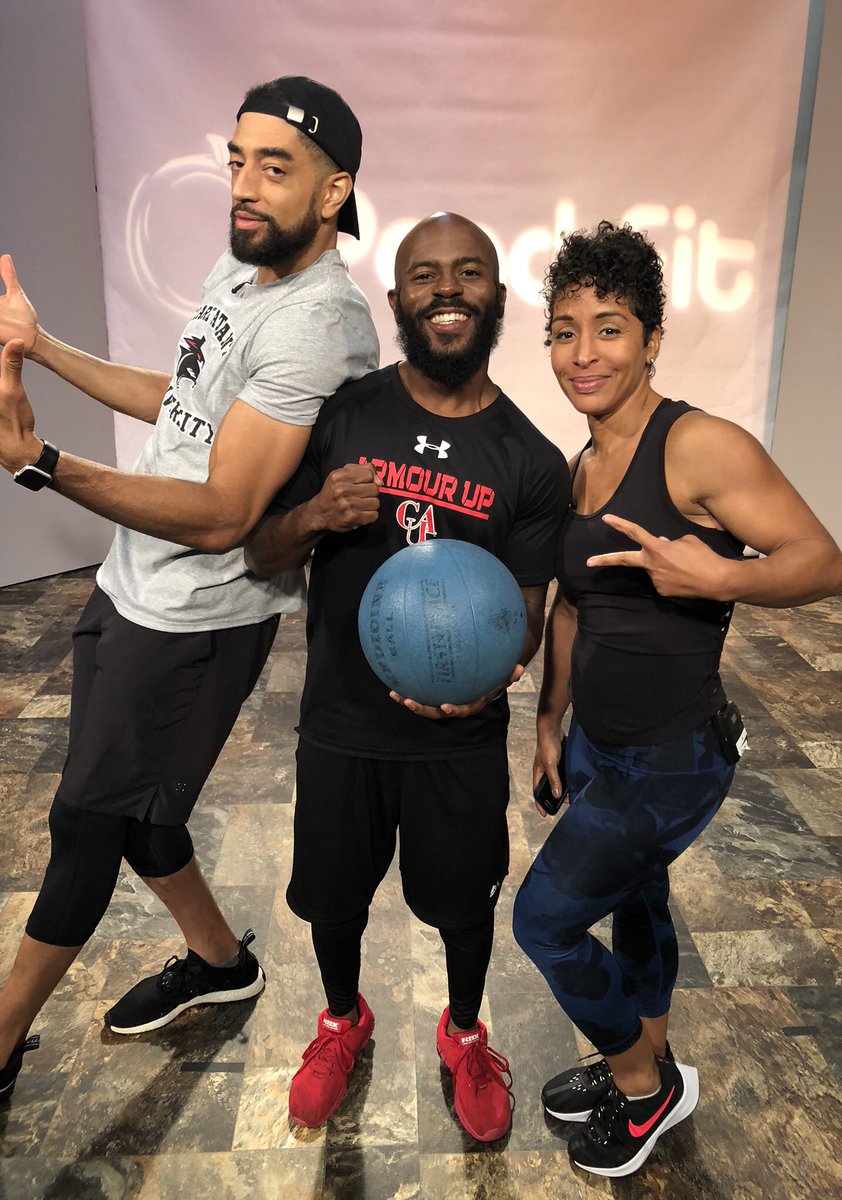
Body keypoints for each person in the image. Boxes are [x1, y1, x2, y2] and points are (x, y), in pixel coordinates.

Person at [0, 75, 378, 1100]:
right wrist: (43, 349)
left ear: (334, 190)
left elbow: (222, 513)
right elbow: (185, 405)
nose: (244, 187)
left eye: (276, 167)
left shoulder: (318, 325)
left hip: (198, 619)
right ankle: (221, 964)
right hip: (136, 587)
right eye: (237, 161)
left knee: (86, 826)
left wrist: (41, 463)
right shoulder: (245, 264)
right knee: (145, 821)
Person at [511, 221, 842, 1178]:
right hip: (597, 744)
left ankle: (644, 1086)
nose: (585, 353)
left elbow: (823, 561)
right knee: (638, 898)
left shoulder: (697, 444)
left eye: (609, 328)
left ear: (653, 338)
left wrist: (718, 580)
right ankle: (647, 1053)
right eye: (566, 330)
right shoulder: (581, 466)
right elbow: (575, 606)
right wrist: (547, 720)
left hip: (673, 754)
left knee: (543, 922)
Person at [245, 211, 570, 1142]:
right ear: (397, 301)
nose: (447, 290)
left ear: (497, 300)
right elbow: (262, 548)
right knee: (333, 899)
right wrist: (312, 514)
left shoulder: (532, 463)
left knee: (465, 904)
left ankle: (466, 1030)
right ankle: (342, 1019)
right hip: (343, 723)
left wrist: (499, 673)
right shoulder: (343, 416)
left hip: (458, 736)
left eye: (469, 273)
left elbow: (531, 608)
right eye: (426, 275)